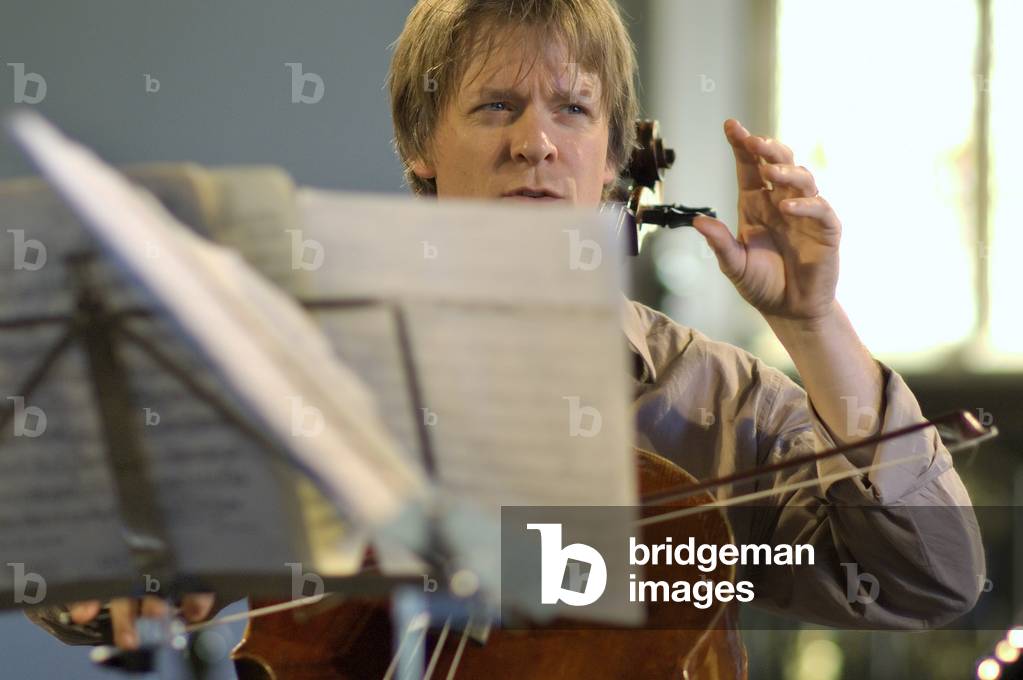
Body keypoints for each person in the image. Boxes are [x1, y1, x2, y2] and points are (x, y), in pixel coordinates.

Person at [32, 0, 984, 652]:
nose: (535, 141)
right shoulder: (299, 361)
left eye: (573, 109)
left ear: (612, 158)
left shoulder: (713, 400)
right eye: (495, 105)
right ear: (419, 143)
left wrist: (812, 324)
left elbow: (928, 583)